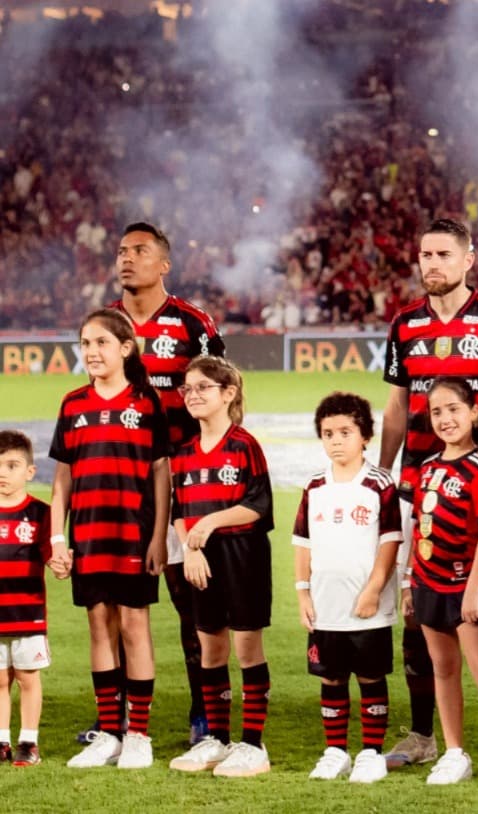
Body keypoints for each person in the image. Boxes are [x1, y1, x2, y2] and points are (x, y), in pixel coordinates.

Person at [380, 217, 478, 768]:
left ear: (468, 259)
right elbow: (398, 406)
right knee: (416, 607)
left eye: (444, 254)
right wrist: (384, 469)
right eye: (425, 255)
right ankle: (425, 735)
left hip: (476, 488)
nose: (432, 264)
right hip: (416, 485)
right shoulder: (404, 325)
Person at [110, 221, 224, 746]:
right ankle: (115, 720)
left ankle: (203, 713)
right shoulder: (106, 324)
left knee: (187, 596)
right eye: (122, 251)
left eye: (139, 251)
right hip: (117, 484)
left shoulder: (192, 324)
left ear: (164, 264)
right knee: (114, 601)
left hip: (181, 484)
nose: (127, 259)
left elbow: (223, 398)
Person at [48, 309, 170, 769]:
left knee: (135, 627)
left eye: (100, 342)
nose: (91, 352)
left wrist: (158, 535)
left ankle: (138, 734)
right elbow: (62, 478)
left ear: (125, 348)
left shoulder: (146, 402)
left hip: (133, 536)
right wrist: (59, 541)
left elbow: (161, 472)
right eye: (85, 344)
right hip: (89, 537)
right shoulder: (73, 403)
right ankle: (108, 733)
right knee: (99, 627)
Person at [406, 378, 478, 789]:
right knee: (443, 669)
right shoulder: (426, 469)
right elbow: (418, 529)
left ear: (474, 412)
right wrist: (409, 581)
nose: (445, 418)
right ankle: (455, 753)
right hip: (427, 582)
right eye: (436, 412)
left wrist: (476, 587)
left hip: (464, 585)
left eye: (454, 409)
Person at [166, 357, 274, 778]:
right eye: (187, 388)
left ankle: (252, 745)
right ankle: (216, 738)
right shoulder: (185, 454)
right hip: (201, 561)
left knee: (247, 649)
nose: (192, 395)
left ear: (227, 394)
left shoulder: (244, 445)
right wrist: (189, 549)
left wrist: (210, 522)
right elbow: (179, 509)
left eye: (203, 387)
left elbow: (259, 506)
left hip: (242, 555)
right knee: (210, 648)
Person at [291, 392, 403, 784]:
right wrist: (303, 592)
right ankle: (335, 751)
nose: (336, 440)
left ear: (365, 436)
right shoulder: (314, 486)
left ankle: (371, 753)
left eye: (345, 432)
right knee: (331, 677)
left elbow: (390, 541)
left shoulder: (380, 485)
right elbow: (302, 542)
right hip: (326, 606)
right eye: (328, 433)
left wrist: (373, 589)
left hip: (367, 606)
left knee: (371, 677)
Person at [0, 430, 54, 767]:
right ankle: (2, 740)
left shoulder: (40, 512)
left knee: (27, 678)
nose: (3, 473)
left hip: (27, 614)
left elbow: (52, 554)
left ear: (29, 472)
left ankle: (28, 742)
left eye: (12, 465)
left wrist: (62, 562)